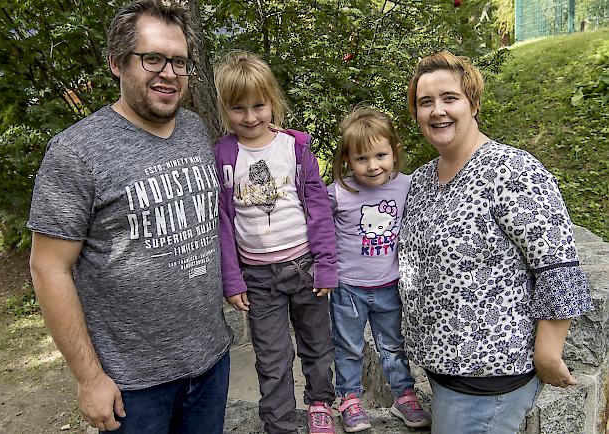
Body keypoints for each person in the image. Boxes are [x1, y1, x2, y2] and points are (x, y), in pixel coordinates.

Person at [27, 1, 233, 432]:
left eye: (179, 61)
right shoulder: (75, 153)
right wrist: (89, 378)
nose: (169, 73)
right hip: (134, 389)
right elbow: (49, 267)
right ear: (117, 63)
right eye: (152, 58)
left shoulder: (195, 128)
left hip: (211, 362)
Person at [399, 50, 593, 434]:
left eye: (449, 98)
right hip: (442, 372)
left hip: (489, 383)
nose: (437, 110)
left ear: (473, 103)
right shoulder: (420, 180)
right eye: (426, 102)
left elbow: (558, 264)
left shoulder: (511, 170)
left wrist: (549, 351)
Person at [213, 50, 337, 434]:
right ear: (225, 109)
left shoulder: (294, 149)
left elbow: (318, 209)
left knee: (317, 343)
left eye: (259, 106)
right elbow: (223, 222)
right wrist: (232, 279)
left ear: (273, 103)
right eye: (238, 109)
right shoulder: (224, 155)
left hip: (305, 268)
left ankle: (319, 404)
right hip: (258, 277)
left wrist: (327, 265)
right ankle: (279, 423)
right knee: (271, 357)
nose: (250, 117)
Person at [328, 107, 431, 431]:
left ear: (395, 152)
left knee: (391, 345)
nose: (372, 166)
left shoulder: (407, 186)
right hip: (348, 288)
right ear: (347, 159)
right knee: (348, 347)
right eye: (361, 159)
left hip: (389, 284)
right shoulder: (338, 193)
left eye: (380, 155)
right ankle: (349, 399)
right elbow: (317, 228)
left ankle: (404, 396)